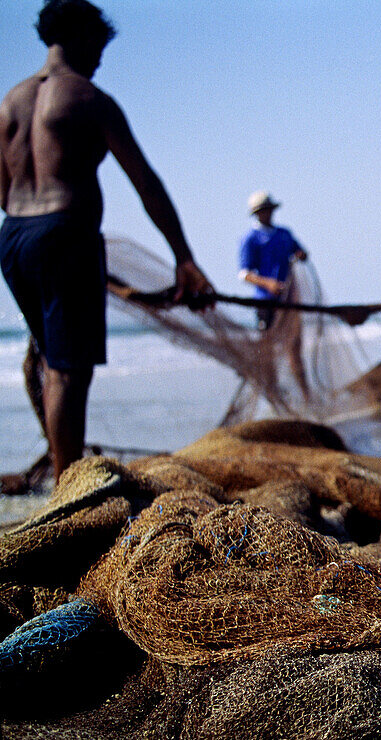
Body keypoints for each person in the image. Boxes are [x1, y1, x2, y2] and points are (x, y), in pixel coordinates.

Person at [0, 0, 212, 482]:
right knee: (68, 372)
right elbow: (146, 183)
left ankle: (64, 476)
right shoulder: (88, 98)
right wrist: (184, 258)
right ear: (76, 37)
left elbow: (3, 190)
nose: (98, 60)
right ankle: (68, 491)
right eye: (97, 47)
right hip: (65, 232)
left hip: (14, 238)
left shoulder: (9, 103)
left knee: (54, 360)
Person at [238, 190, 311, 399]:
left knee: (294, 348)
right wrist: (267, 283)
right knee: (267, 351)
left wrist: (300, 254)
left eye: (269, 210)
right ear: (256, 214)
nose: (267, 214)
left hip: (289, 301)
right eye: (263, 211)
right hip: (265, 303)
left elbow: (299, 252)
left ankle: (307, 395)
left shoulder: (284, 234)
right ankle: (275, 396)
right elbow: (244, 274)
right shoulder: (250, 239)